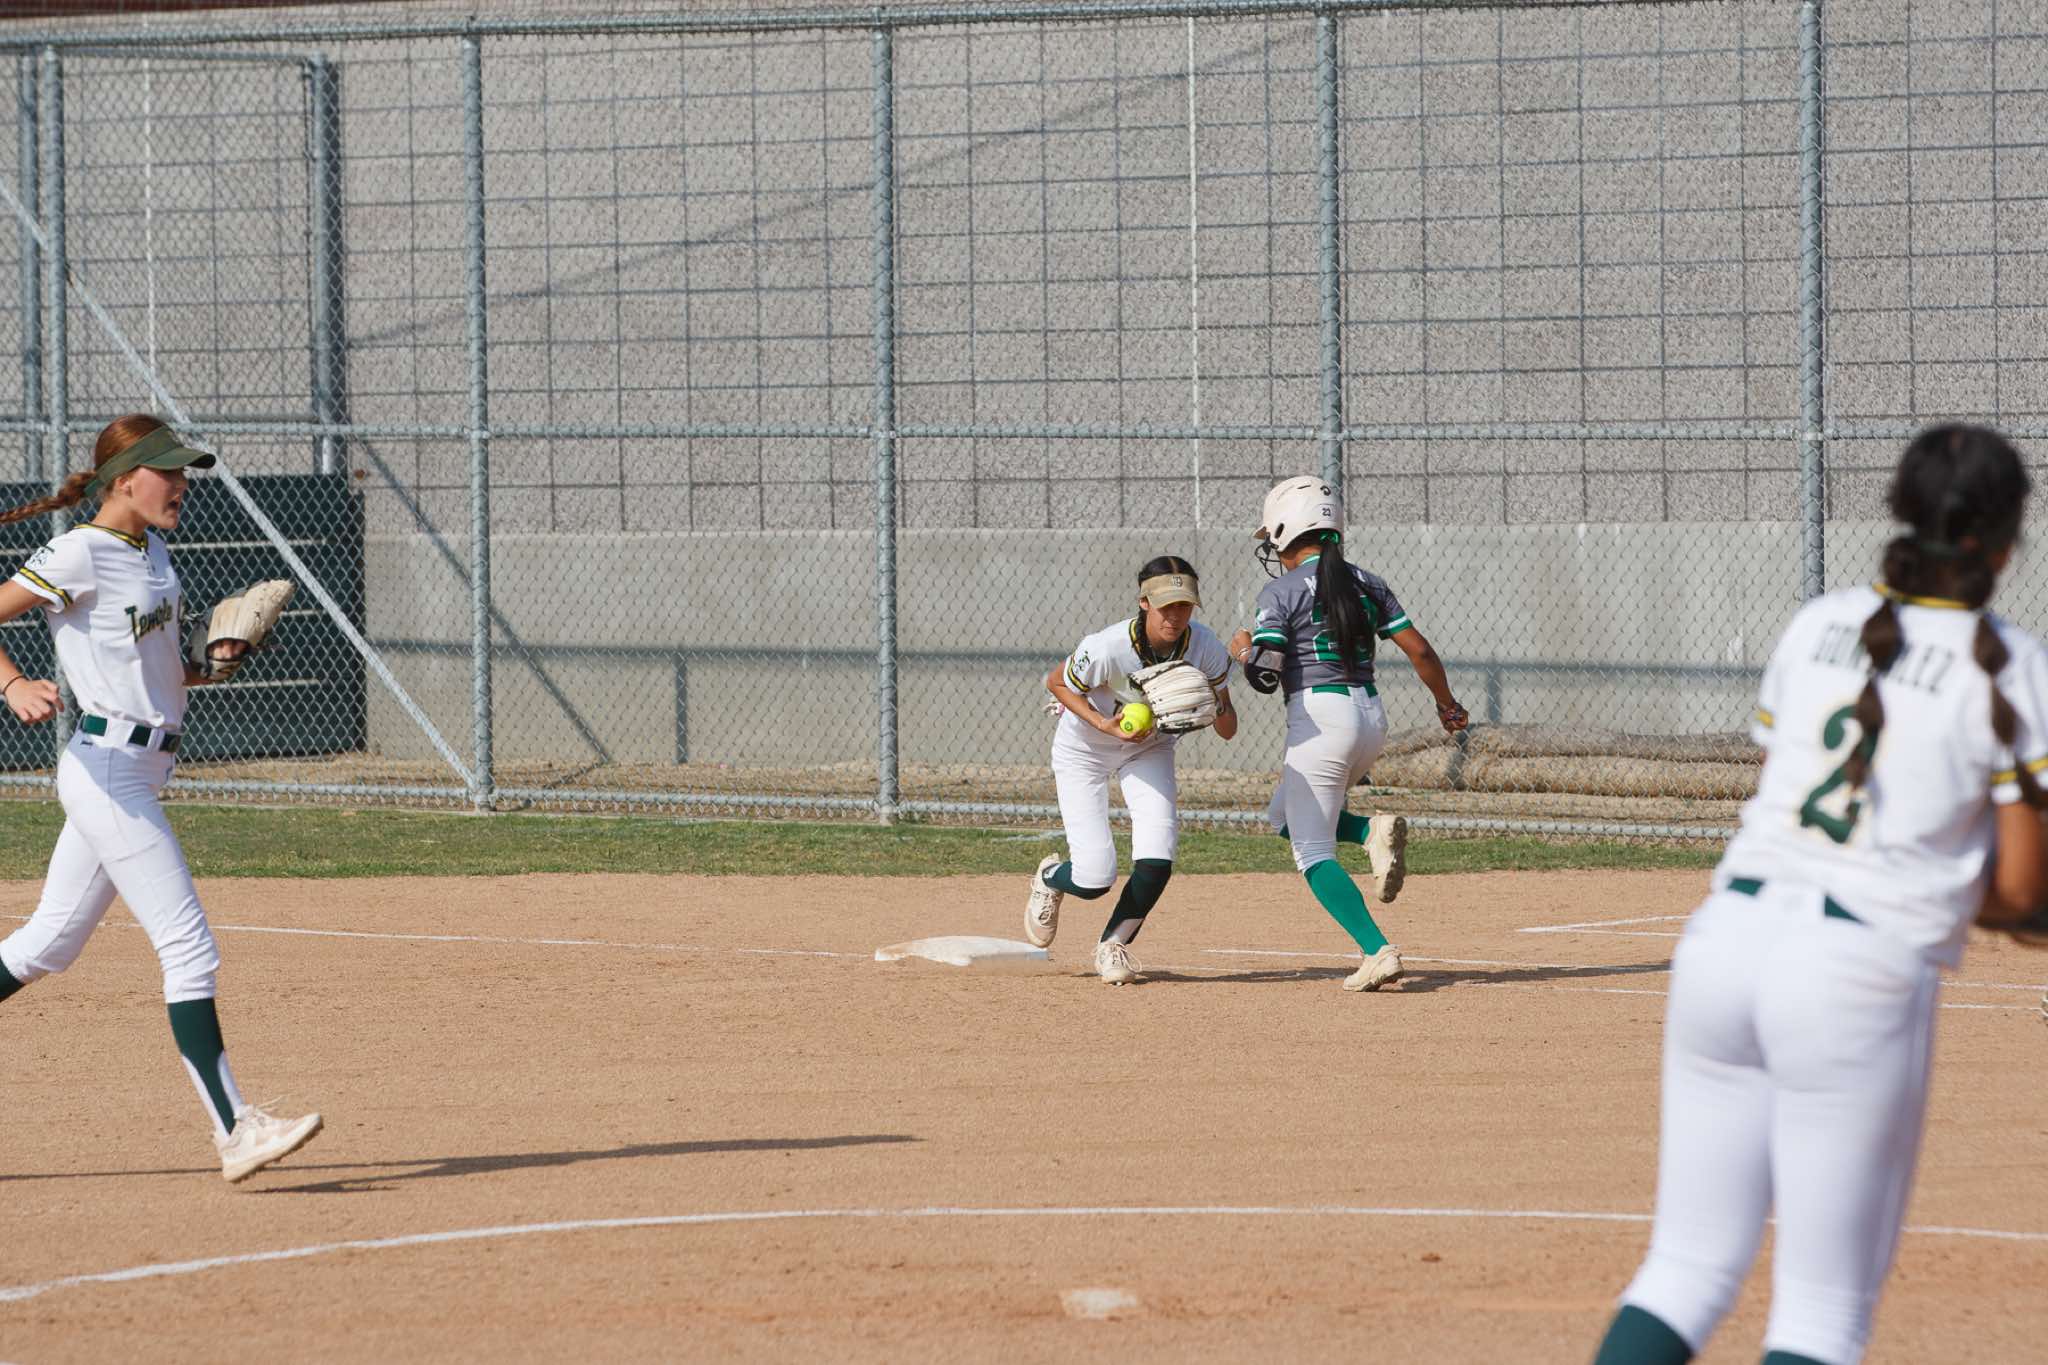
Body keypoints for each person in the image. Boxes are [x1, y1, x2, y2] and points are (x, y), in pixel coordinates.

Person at [1592, 424, 2048, 1365]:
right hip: (1855, 975)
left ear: (1901, 515)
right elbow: (2018, 886)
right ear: (2008, 543)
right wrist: (1976, 892)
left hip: (1724, 940)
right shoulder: (2010, 660)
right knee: (1820, 1317)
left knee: (1683, 1270)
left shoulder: (1820, 623)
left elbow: (1795, 798)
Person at [0, 413, 323, 1184]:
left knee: (46, 945)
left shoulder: (153, 552)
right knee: (187, 946)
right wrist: (11, 685)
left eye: (183, 472)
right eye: (168, 471)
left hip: (141, 768)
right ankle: (236, 1128)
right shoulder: (80, 551)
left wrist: (215, 659)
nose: (181, 484)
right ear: (124, 480)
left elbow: (164, 672)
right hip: (108, 769)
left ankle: (236, 1125)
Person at [1225, 475, 1468, 992]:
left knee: (1311, 852)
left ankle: (1377, 950)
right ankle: (1366, 833)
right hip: (1371, 719)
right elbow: (1420, 650)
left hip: (1321, 719)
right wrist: (1447, 705)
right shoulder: (1368, 582)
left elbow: (1264, 675)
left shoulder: (1282, 590)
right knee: (1281, 817)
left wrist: (1243, 650)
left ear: (1287, 530)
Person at [1025, 555, 1237, 983]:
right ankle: (1050, 878)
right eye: (1166, 606)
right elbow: (1056, 682)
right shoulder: (1108, 646)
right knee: (1093, 878)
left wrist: (1214, 703)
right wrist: (1102, 723)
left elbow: (1228, 730)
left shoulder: (1205, 647)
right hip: (1085, 749)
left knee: (1158, 859)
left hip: (1149, 749)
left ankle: (1113, 946)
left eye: (1184, 605)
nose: (1175, 616)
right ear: (1144, 602)